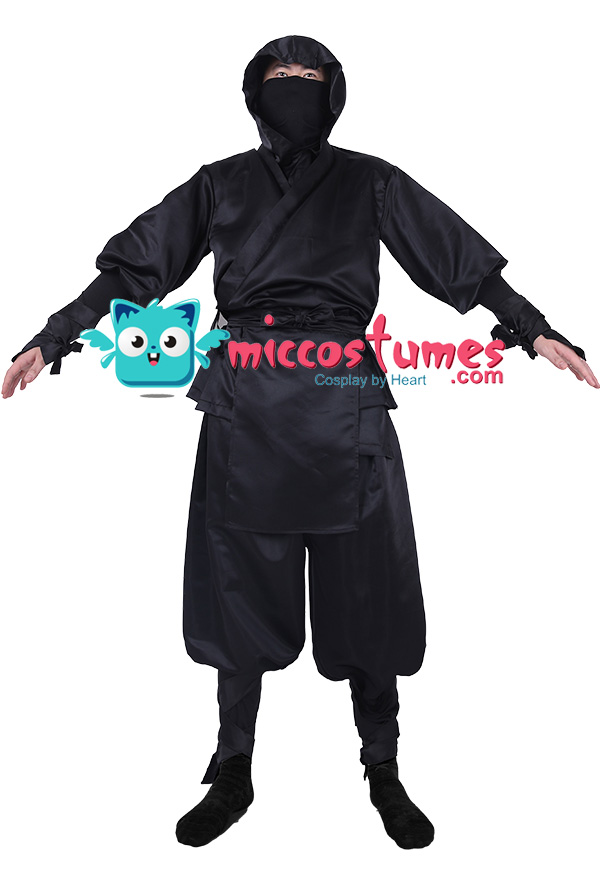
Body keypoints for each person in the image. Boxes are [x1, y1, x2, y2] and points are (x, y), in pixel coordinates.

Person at [3, 35, 598, 852]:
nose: (294, 90)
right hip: (244, 401)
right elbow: (137, 269)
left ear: (333, 92)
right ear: (255, 93)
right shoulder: (219, 184)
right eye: (279, 78)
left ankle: (383, 768)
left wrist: (532, 328)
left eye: (308, 79)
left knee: (370, 587)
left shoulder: (370, 181)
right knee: (237, 587)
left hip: (343, 399)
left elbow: (454, 261)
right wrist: (56, 334)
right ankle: (232, 768)